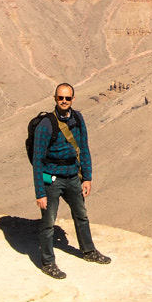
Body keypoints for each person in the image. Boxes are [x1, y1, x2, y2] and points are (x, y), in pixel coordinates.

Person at [30, 83, 110, 278]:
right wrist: (40, 192)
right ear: (55, 99)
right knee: (48, 222)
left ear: (73, 99)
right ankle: (48, 262)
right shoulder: (45, 125)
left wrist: (87, 177)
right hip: (52, 178)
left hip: (73, 176)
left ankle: (89, 251)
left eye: (67, 98)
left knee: (81, 215)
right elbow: (37, 161)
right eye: (60, 98)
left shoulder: (78, 118)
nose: (64, 101)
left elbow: (83, 148)